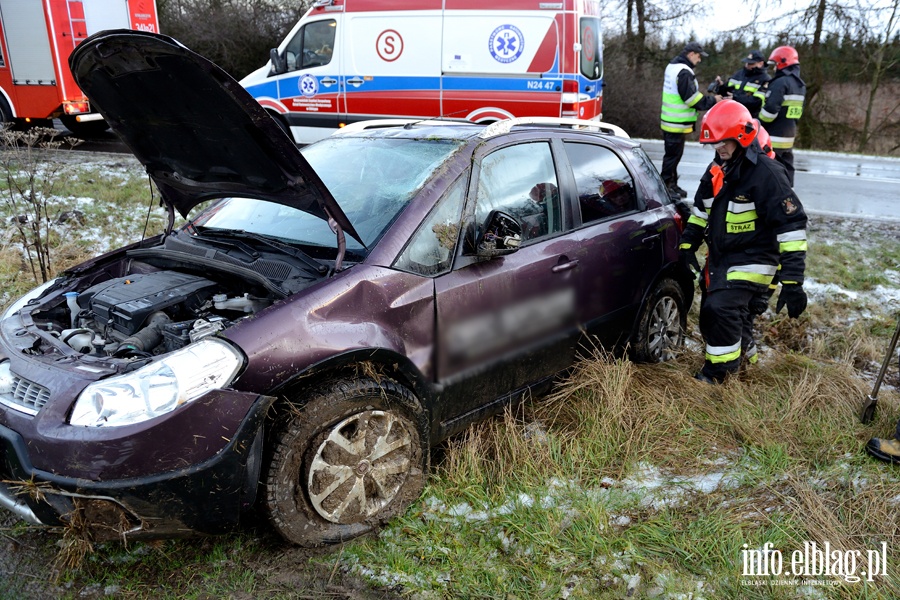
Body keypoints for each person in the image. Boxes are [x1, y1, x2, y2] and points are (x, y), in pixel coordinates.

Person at [679, 100, 808, 383]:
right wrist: (688, 244)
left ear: (741, 136)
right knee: (717, 315)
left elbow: (791, 227)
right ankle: (743, 357)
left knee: (720, 308)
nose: (719, 149)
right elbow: (702, 210)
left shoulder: (767, 174)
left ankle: (719, 375)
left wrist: (793, 281)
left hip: (756, 259)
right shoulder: (718, 170)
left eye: (724, 142)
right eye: (714, 144)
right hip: (723, 259)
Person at [660, 41, 722, 200]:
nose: (699, 60)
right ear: (691, 54)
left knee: (673, 156)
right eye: (699, 56)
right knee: (672, 157)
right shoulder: (684, 72)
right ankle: (665, 187)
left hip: (670, 120)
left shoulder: (673, 66)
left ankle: (671, 184)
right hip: (676, 122)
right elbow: (692, 99)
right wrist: (713, 100)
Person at [759, 46, 806, 186]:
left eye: (775, 65)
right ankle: (787, 200)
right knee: (786, 173)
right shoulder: (800, 85)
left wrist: (758, 122)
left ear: (782, 63)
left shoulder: (780, 83)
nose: (774, 69)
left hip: (772, 137)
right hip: (789, 137)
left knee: (767, 174)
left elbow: (770, 111)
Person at [723, 49, 771, 119]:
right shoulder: (738, 74)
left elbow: (757, 101)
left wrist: (735, 99)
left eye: (751, 64)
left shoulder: (765, 79)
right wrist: (721, 87)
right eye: (747, 63)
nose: (748, 65)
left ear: (761, 63)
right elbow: (728, 89)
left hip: (750, 117)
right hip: (731, 115)